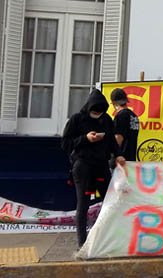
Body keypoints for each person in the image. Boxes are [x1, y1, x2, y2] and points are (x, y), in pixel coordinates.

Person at [61, 89, 125, 248]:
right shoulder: (77, 119)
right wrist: (85, 139)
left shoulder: (106, 120)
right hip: (83, 165)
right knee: (83, 205)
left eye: (100, 111)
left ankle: (106, 239)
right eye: (95, 111)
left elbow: (112, 141)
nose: (97, 113)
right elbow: (66, 143)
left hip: (101, 165)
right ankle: (82, 243)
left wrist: (117, 155)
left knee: (109, 202)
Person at [111, 88, 139, 162]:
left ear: (114, 103)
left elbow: (118, 138)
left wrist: (113, 154)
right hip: (131, 159)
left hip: (120, 159)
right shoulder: (134, 116)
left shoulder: (120, 116)